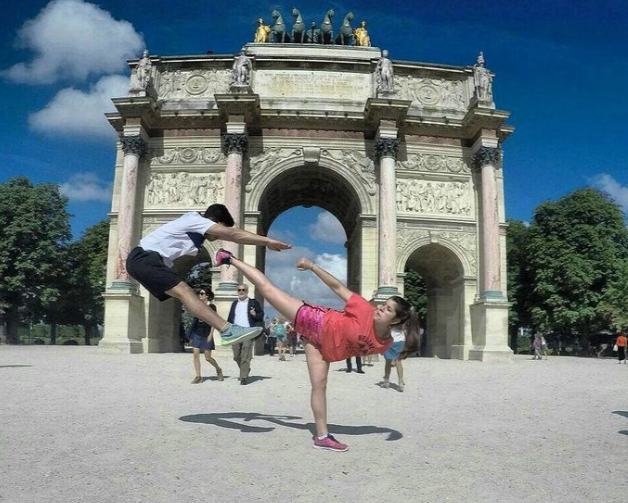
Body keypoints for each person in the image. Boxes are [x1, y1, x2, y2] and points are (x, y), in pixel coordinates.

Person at [214, 249, 420, 452]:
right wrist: (312, 266)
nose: (381, 308)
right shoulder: (364, 308)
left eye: (388, 309)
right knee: (267, 290)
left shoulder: (385, 343)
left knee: (319, 386)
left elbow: (395, 354)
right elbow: (337, 287)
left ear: (397, 319)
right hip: (313, 320)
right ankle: (229, 258)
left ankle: (322, 436)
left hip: (321, 349)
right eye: (384, 304)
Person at [125, 203, 290, 349]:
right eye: (219, 229)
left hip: (145, 260)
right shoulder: (196, 220)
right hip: (145, 259)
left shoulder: (191, 223)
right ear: (215, 222)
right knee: (184, 290)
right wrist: (266, 241)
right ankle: (227, 330)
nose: (218, 236)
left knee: (185, 294)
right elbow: (233, 234)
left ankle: (225, 329)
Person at [228, 284, 264, 385]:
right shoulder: (234, 303)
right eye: (239, 290)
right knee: (236, 356)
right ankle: (246, 369)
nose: (241, 291)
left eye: (243, 290)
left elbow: (261, 315)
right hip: (236, 332)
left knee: (246, 354)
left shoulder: (253, 302)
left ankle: (243, 376)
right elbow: (230, 318)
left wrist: (255, 314)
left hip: (248, 331)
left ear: (247, 291)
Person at [187, 289, 223, 384]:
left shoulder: (211, 306)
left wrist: (211, 334)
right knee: (195, 355)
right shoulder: (197, 305)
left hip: (207, 333)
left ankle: (218, 369)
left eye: (202, 294)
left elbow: (214, 321)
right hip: (197, 333)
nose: (200, 295)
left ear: (207, 296)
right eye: (199, 294)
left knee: (208, 358)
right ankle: (198, 376)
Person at [380, 325, 408, 391]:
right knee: (398, 361)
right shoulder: (401, 318)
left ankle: (386, 382)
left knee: (388, 362)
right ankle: (400, 382)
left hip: (389, 340)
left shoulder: (390, 317)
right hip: (400, 340)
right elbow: (404, 329)